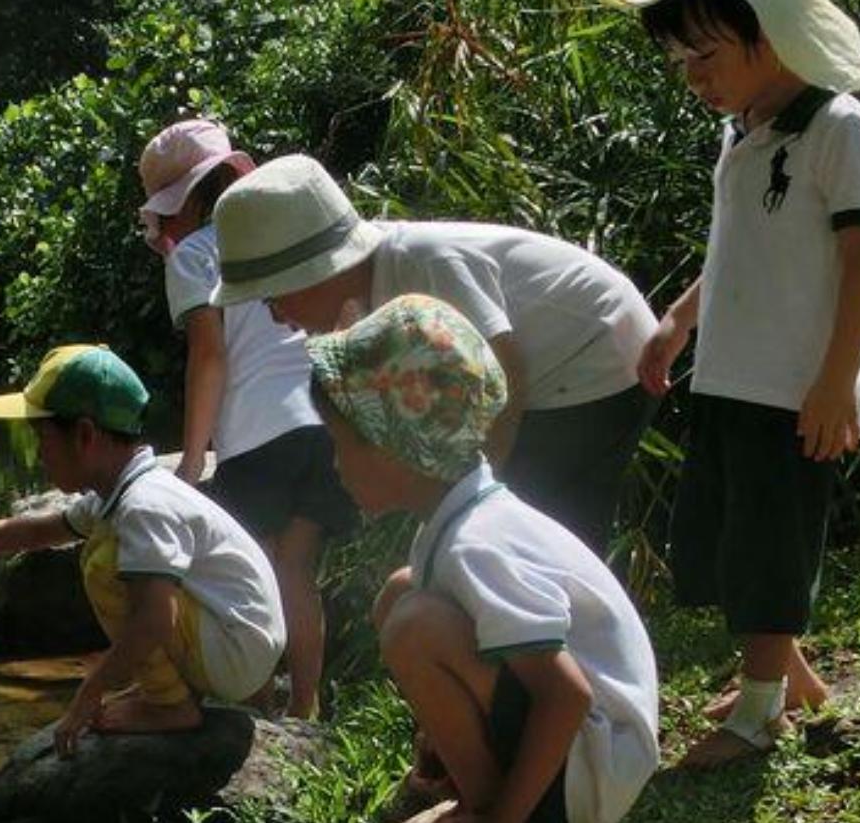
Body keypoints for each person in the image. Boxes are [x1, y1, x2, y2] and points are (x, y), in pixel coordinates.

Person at [600, 0, 860, 767]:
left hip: (795, 385)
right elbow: (737, 253)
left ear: (768, 32)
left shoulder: (837, 127)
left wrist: (837, 381)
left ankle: (759, 712)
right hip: (734, 376)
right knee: (728, 539)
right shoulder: (743, 133)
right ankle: (787, 675)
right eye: (681, 63)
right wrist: (681, 318)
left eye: (707, 58)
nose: (693, 78)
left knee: (771, 545)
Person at [311, 294, 659, 823]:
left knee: (414, 624)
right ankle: (480, 788)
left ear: (397, 446)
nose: (335, 467)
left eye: (342, 446)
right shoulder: (457, 520)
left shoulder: (478, 543)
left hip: (598, 759)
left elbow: (566, 696)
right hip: (585, 746)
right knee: (402, 594)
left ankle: (493, 807)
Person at [209, 154, 659, 557]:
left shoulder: (422, 263)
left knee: (542, 527)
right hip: (548, 370)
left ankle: (559, 635)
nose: (276, 317)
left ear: (312, 276)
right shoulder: (366, 302)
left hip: (596, 351)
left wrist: (467, 507)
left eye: (273, 299)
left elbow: (502, 379)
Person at [0, 344, 286, 752]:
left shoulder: (144, 505)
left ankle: (171, 706)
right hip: (240, 647)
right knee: (110, 552)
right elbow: (36, 533)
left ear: (86, 435)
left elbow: (156, 617)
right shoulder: (125, 490)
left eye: (42, 437)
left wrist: (89, 691)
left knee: (102, 562)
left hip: (236, 653)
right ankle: (174, 694)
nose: (38, 453)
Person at [135, 119, 358, 718]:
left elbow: (210, 356)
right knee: (297, 572)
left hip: (257, 437)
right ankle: (306, 710)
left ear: (177, 208)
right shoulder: (274, 234)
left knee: (254, 580)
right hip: (326, 423)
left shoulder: (193, 257)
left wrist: (189, 461)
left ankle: (261, 709)